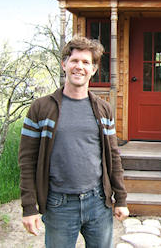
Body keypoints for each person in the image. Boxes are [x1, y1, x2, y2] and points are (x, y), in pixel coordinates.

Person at [19, 36, 129, 248]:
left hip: (99, 202)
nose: (80, 67)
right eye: (74, 61)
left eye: (86, 62)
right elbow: (27, 161)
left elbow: (113, 156)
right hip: (59, 204)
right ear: (64, 65)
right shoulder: (41, 108)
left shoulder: (103, 109)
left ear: (94, 69)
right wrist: (29, 206)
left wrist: (121, 198)